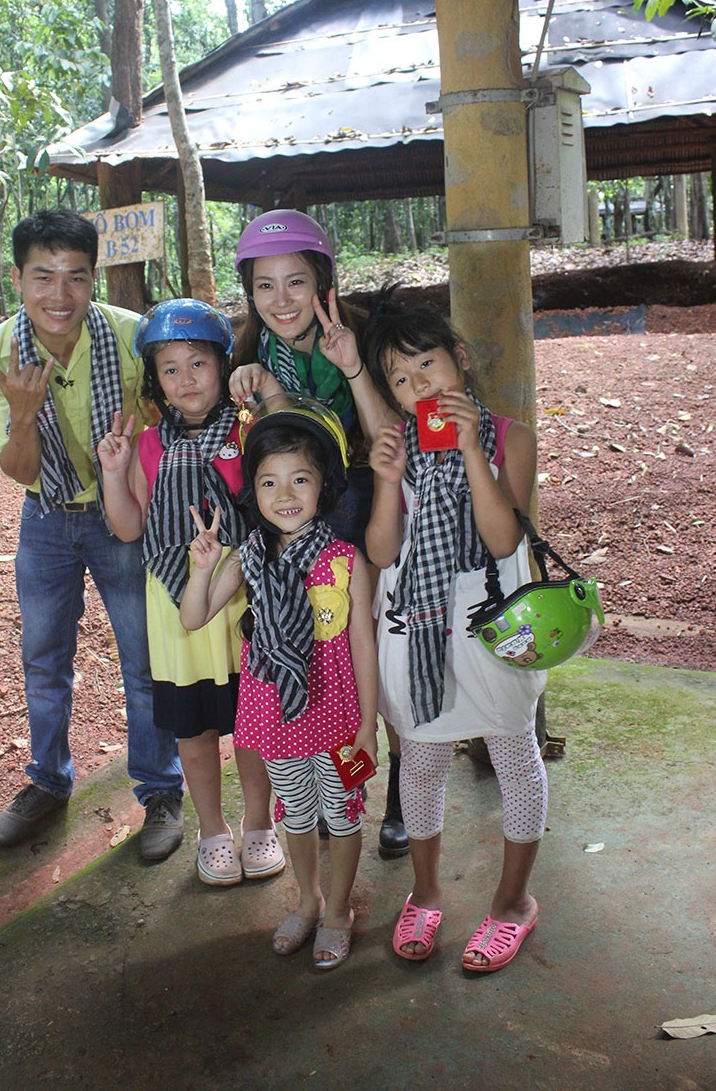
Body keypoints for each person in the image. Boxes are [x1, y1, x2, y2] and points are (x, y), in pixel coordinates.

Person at [0, 209, 184, 857]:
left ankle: (161, 789)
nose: (59, 295)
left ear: (94, 278)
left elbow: (177, 413)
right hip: (45, 517)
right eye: (43, 277)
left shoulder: (132, 336)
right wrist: (23, 416)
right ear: (17, 279)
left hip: (123, 515)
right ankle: (48, 781)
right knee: (43, 658)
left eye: (76, 277)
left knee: (143, 659)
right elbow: (19, 470)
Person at [362, 289, 546, 973]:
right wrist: (387, 480)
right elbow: (382, 552)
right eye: (400, 379)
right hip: (415, 626)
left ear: (459, 359)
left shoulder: (511, 438)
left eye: (427, 365)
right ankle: (427, 891)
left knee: (513, 754)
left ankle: (512, 903)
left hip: (490, 624)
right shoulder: (395, 445)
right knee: (422, 761)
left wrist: (472, 449)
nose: (419, 386)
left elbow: (502, 540)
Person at [229, 209, 408, 858]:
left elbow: (389, 441)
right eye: (265, 286)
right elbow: (275, 454)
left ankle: (398, 793)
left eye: (296, 282)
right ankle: (329, 788)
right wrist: (259, 394)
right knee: (316, 652)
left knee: (376, 648)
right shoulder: (250, 355)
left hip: (366, 512)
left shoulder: (364, 337)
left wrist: (354, 368)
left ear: (323, 283)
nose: (281, 300)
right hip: (295, 527)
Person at [181, 396, 378, 970]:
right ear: (254, 491)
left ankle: (338, 910)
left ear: (324, 487)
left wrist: (368, 725)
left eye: (300, 479)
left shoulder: (346, 560)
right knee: (296, 811)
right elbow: (194, 617)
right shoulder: (247, 559)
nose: (285, 494)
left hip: (339, 714)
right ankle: (308, 900)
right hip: (277, 716)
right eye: (269, 482)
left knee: (342, 815)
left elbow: (363, 645)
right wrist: (201, 569)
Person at [96, 298, 284, 887]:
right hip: (178, 603)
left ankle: (260, 823)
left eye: (198, 363)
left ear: (223, 365)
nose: (186, 379)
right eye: (170, 368)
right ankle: (212, 831)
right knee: (195, 729)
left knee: (254, 720)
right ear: (155, 380)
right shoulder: (149, 445)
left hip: (245, 591)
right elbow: (129, 527)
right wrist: (113, 471)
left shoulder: (250, 430)